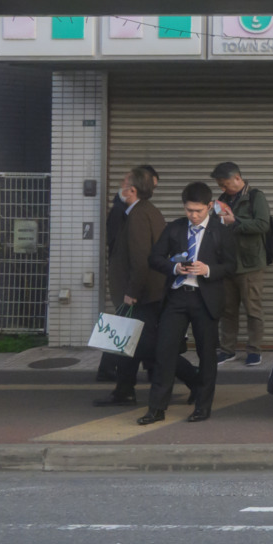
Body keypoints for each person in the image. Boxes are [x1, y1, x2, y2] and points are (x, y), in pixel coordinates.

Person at [138, 180, 232, 424]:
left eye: (198, 211)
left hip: (206, 298)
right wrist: (175, 267)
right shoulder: (175, 228)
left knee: (206, 354)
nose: (193, 215)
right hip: (177, 296)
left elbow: (232, 265)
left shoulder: (221, 231)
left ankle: (203, 406)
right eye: (189, 210)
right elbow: (155, 258)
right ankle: (156, 408)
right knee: (164, 352)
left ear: (209, 206)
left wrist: (208, 269)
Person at [97, 167, 169, 407]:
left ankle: (193, 381)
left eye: (125, 183)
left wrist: (131, 292)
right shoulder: (147, 211)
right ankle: (125, 389)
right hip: (147, 292)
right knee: (131, 344)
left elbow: (140, 260)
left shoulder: (138, 215)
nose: (121, 186)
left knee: (136, 344)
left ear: (133, 190)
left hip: (140, 294)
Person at [209, 162, 273, 368]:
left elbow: (263, 224)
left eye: (225, 183)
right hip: (227, 263)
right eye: (220, 185)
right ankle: (227, 349)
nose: (222, 188)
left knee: (253, 309)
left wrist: (235, 222)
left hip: (250, 264)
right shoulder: (222, 200)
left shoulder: (255, 196)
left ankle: (254, 351)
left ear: (237, 178)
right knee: (228, 310)